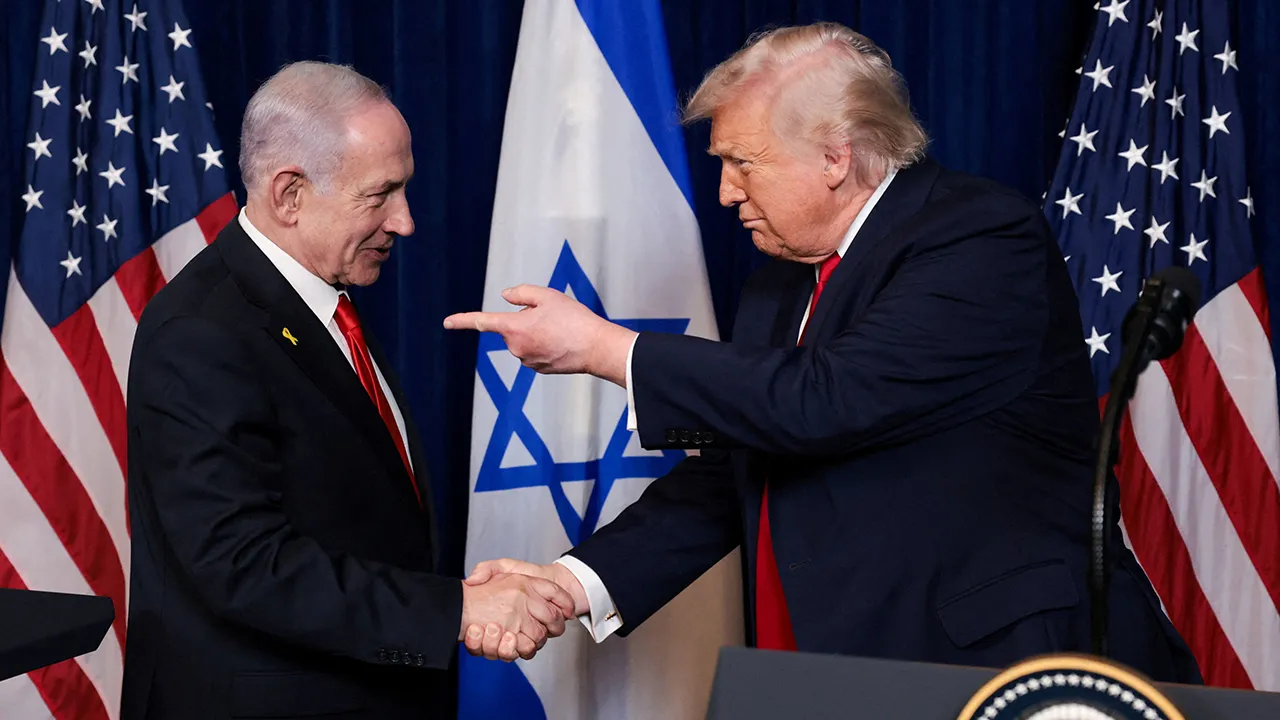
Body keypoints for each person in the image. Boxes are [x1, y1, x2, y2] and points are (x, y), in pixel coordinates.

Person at [444, 23, 1202, 683]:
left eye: (742, 162)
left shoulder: (977, 236)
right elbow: (735, 473)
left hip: (982, 667)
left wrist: (609, 349)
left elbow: (826, 401)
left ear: (835, 157)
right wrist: (574, 583)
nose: (725, 193)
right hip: (822, 668)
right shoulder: (781, 284)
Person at [121, 62, 571, 720]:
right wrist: (458, 609)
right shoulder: (199, 332)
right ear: (289, 195)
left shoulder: (324, 301)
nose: (406, 222)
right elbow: (241, 562)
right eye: (380, 195)